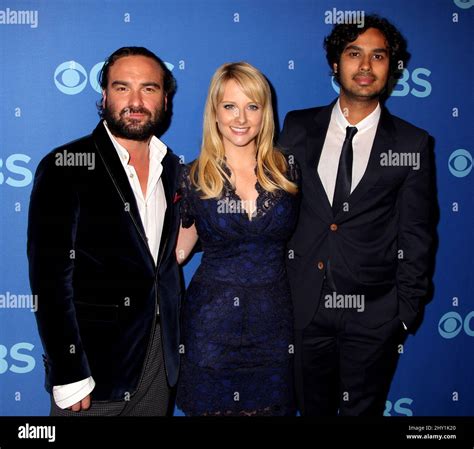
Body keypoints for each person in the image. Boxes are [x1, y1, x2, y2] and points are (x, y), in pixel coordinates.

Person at [279, 15, 434, 415]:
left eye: (378, 56)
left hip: (374, 315)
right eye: (354, 54)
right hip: (304, 309)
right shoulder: (297, 127)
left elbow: (417, 234)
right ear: (336, 64)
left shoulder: (413, 144)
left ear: (391, 66)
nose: (365, 67)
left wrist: (403, 314)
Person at [27, 47, 182, 416]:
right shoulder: (66, 165)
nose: (135, 101)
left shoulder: (174, 167)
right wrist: (69, 371)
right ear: (104, 96)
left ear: (164, 98)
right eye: (122, 87)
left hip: (159, 363)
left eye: (148, 88)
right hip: (94, 371)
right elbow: (49, 280)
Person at [175, 62, 299, 416]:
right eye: (229, 106)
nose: (240, 118)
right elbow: (177, 253)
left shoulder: (289, 170)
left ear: (265, 112)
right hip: (209, 330)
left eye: (252, 106)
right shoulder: (192, 177)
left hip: (274, 327)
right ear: (214, 112)